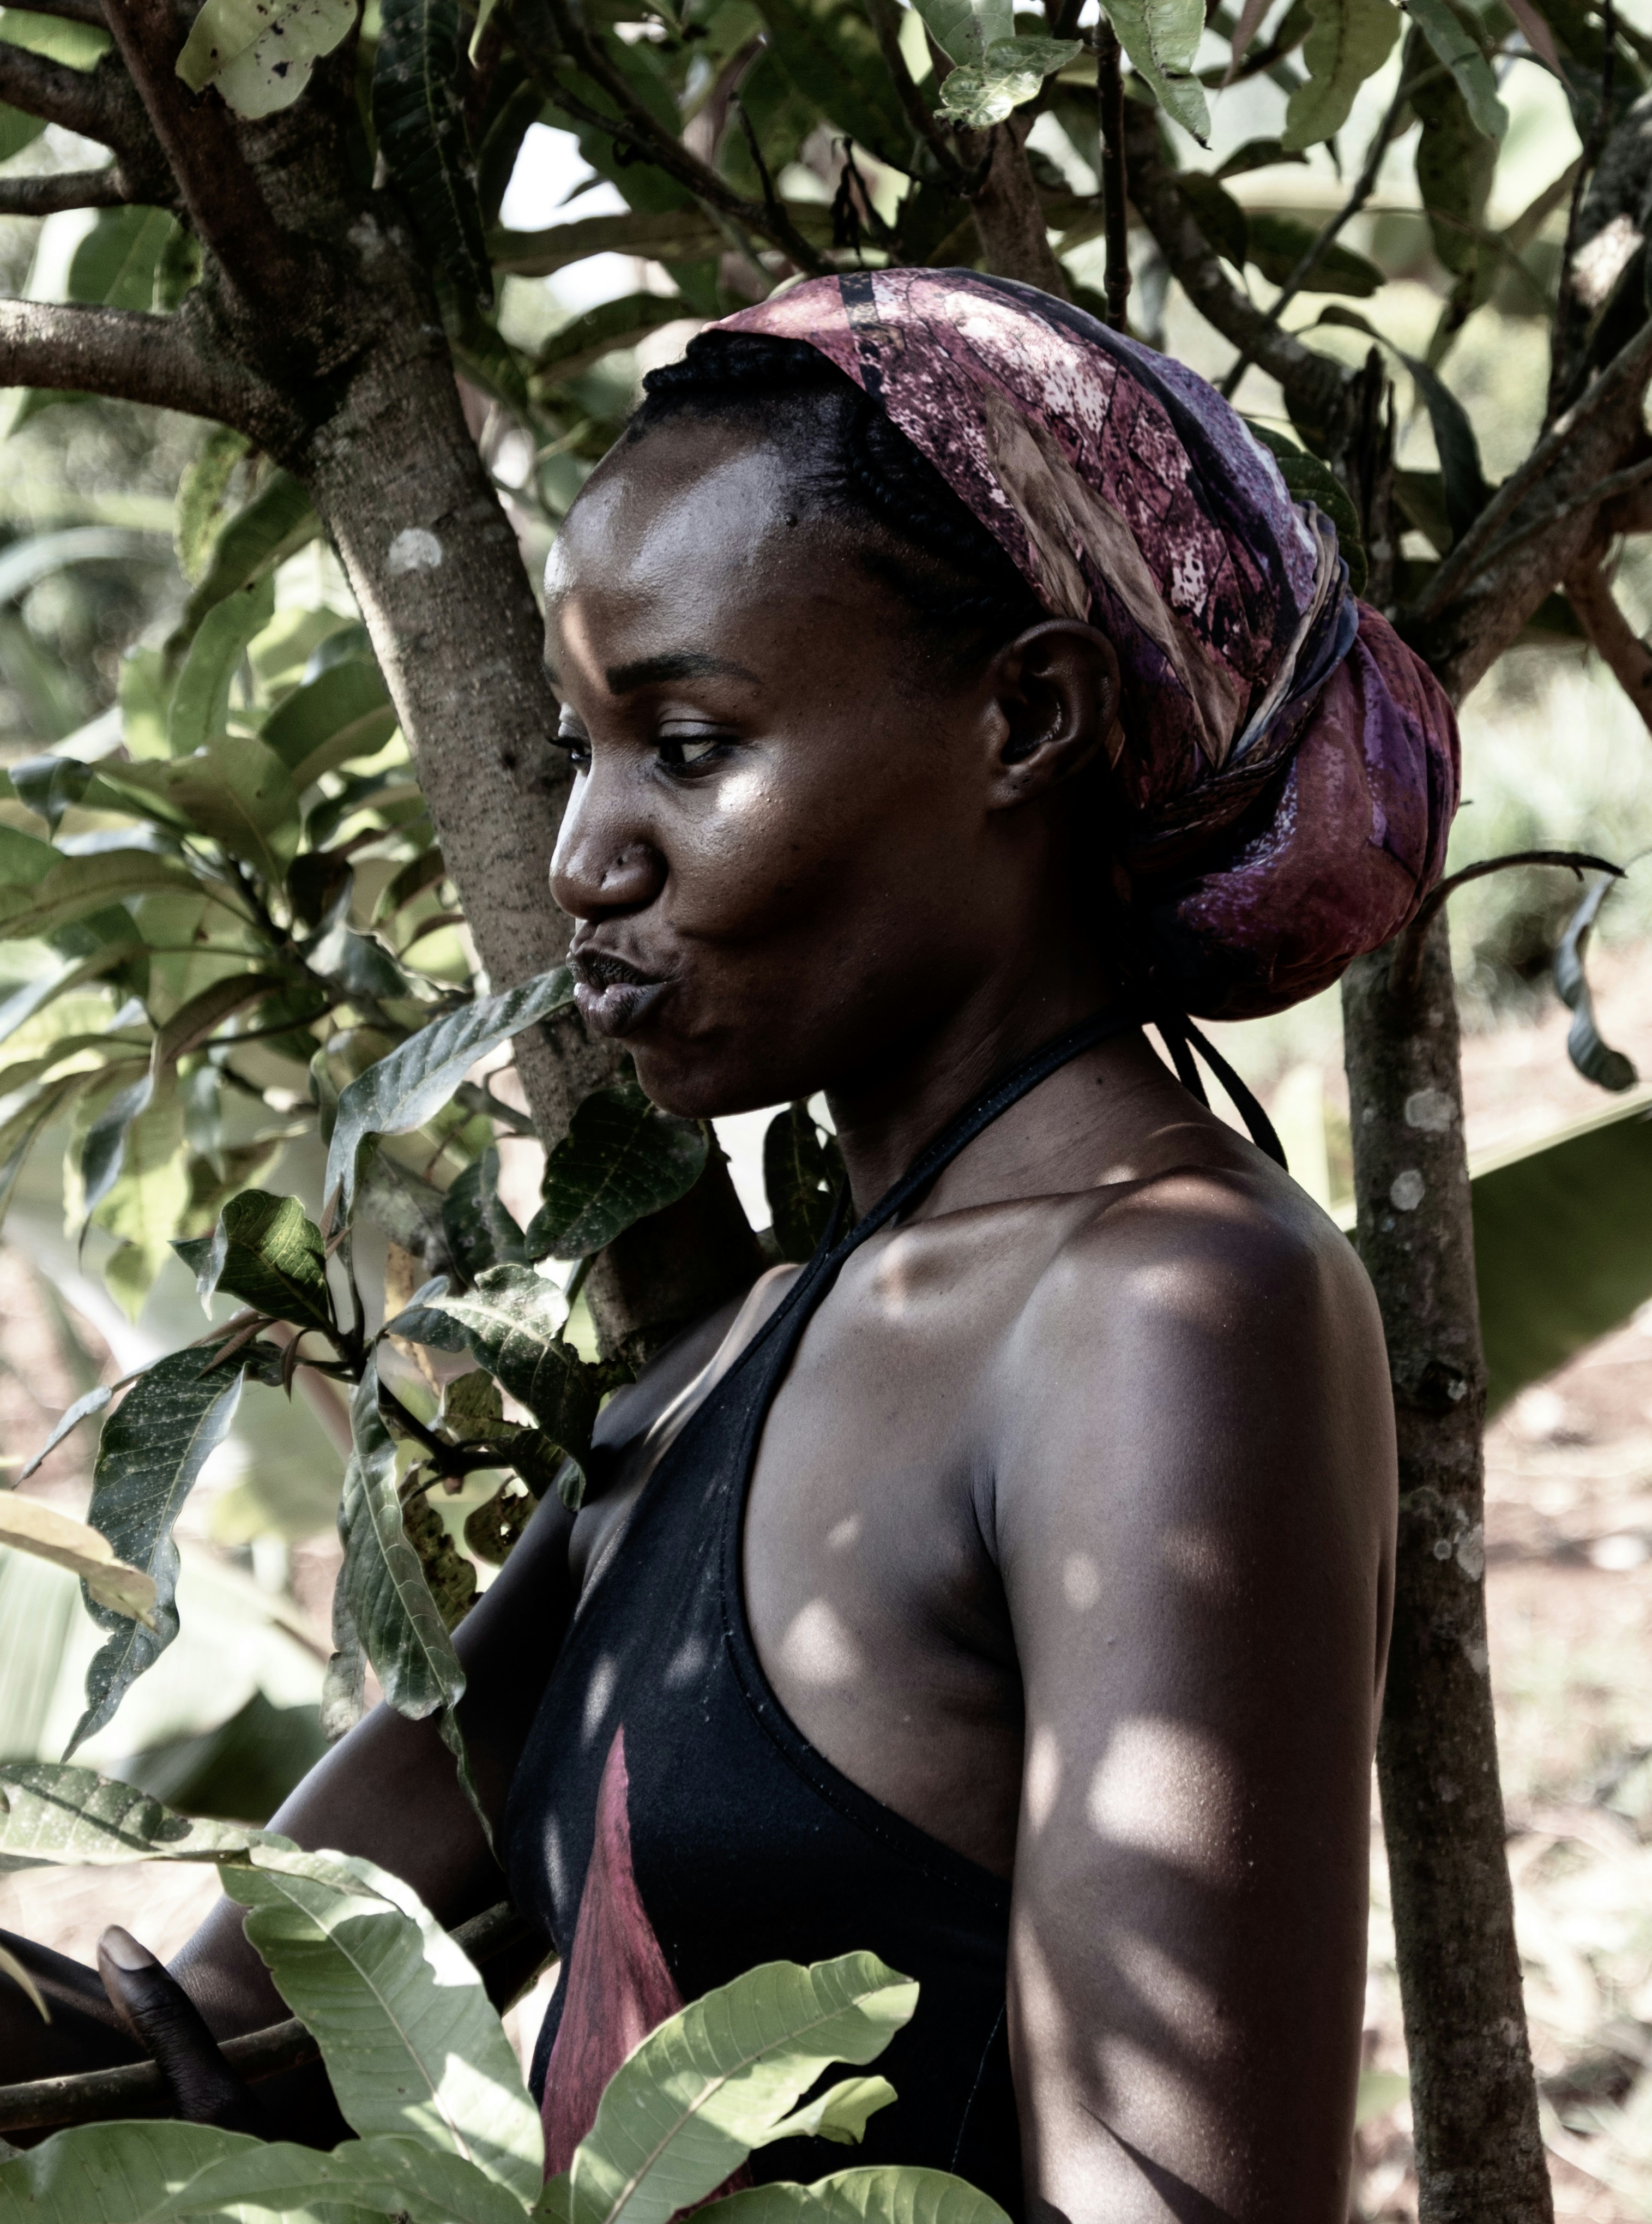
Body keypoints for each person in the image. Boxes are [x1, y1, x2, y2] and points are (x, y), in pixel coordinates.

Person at [0, 269, 1457, 2223]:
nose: (583, 859)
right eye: (587, 750)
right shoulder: (730, 1360)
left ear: (1026, 714)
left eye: (686, 746)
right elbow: (231, 2005)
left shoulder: (1168, 1309)